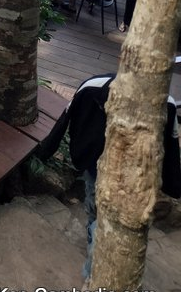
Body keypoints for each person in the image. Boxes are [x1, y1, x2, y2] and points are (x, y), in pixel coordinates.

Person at [37, 74, 180, 278]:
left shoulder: (93, 87)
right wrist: (173, 185)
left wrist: (46, 152)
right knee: (99, 216)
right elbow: (172, 147)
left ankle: (93, 276)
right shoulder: (93, 89)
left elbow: (171, 146)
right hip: (110, 172)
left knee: (103, 225)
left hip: (122, 177)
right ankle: (94, 245)